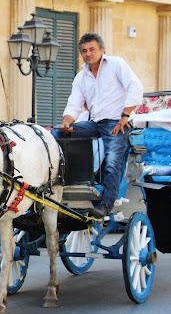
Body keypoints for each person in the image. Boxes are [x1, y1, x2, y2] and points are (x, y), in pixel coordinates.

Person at [51, 32, 144, 218]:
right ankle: (63, 182)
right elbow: (74, 103)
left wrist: (125, 116)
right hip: (94, 123)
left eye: (92, 49)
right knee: (56, 135)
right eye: (84, 51)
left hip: (117, 122)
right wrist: (67, 122)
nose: (88, 53)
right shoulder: (81, 77)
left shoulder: (116, 64)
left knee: (112, 161)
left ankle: (106, 204)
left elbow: (136, 87)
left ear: (102, 50)